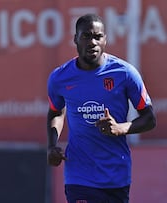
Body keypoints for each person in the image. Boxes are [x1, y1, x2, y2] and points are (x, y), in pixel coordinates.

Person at [46, 14, 156, 203]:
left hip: (115, 175)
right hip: (79, 175)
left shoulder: (125, 73)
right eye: (86, 36)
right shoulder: (60, 77)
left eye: (98, 37)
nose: (92, 42)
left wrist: (120, 128)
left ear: (105, 39)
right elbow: (56, 112)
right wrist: (52, 145)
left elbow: (149, 118)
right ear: (75, 39)